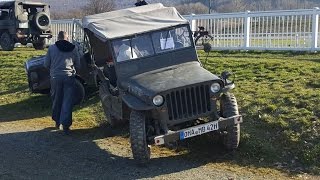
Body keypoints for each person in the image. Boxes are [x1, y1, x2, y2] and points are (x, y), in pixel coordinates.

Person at [44, 31, 80, 135]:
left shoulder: (51, 48)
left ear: (58, 38)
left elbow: (46, 64)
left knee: (56, 99)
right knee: (67, 101)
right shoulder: (73, 48)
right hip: (69, 77)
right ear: (67, 38)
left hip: (55, 77)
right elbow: (78, 64)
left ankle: (57, 121)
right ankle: (66, 126)